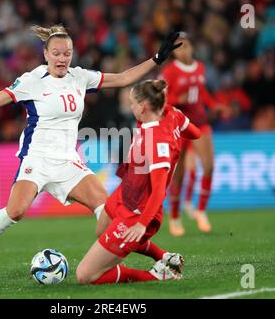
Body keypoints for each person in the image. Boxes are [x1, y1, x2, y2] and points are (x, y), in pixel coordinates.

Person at [0, 25, 183, 280]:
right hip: (37, 159)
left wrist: (156, 59)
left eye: (67, 53)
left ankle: (162, 258)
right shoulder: (31, 81)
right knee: (15, 211)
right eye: (57, 53)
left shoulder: (80, 76)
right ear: (46, 54)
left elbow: (123, 78)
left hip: (69, 162)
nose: (62, 58)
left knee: (109, 216)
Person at [76, 79, 201, 284]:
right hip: (126, 193)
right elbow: (195, 133)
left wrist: (142, 225)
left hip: (138, 211)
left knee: (85, 276)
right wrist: (175, 123)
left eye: (132, 103)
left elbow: (159, 191)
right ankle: (163, 256)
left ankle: (157, 275)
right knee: (101, 231)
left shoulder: (157, 141)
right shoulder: (171, 113)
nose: (130, 106)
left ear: (143, 106)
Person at [159, 32, 224, 236]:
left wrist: (214, 105)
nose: (183, 50)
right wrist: (180, 97)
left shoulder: (200, 68)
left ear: (192, 48)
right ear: (174, 53)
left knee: (209, 166)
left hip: (200, 122)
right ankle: (176, 218)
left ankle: (201, 211)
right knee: (178, 175)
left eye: (186, 46)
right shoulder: (170, 72)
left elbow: (201, 92)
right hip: (180, 126)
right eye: (179, 47)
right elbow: (163, 101)